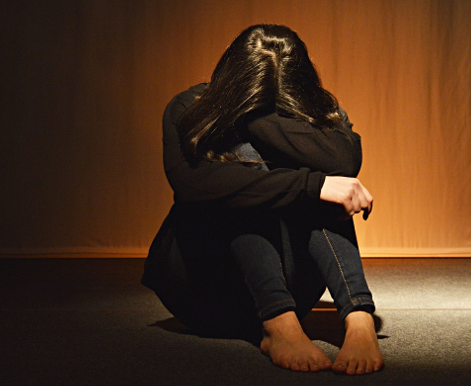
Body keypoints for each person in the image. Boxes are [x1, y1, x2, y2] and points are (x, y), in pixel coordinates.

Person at [142, 24, 384, 376]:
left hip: (294, 286)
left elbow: (343, 163)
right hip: (203, 289)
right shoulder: (189, 106)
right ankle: (278, 324)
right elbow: (193, 184)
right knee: (245, 174)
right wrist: (308, 185)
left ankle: (359, 318)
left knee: (321, 183)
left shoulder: (318, 109)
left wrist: (260, 114)